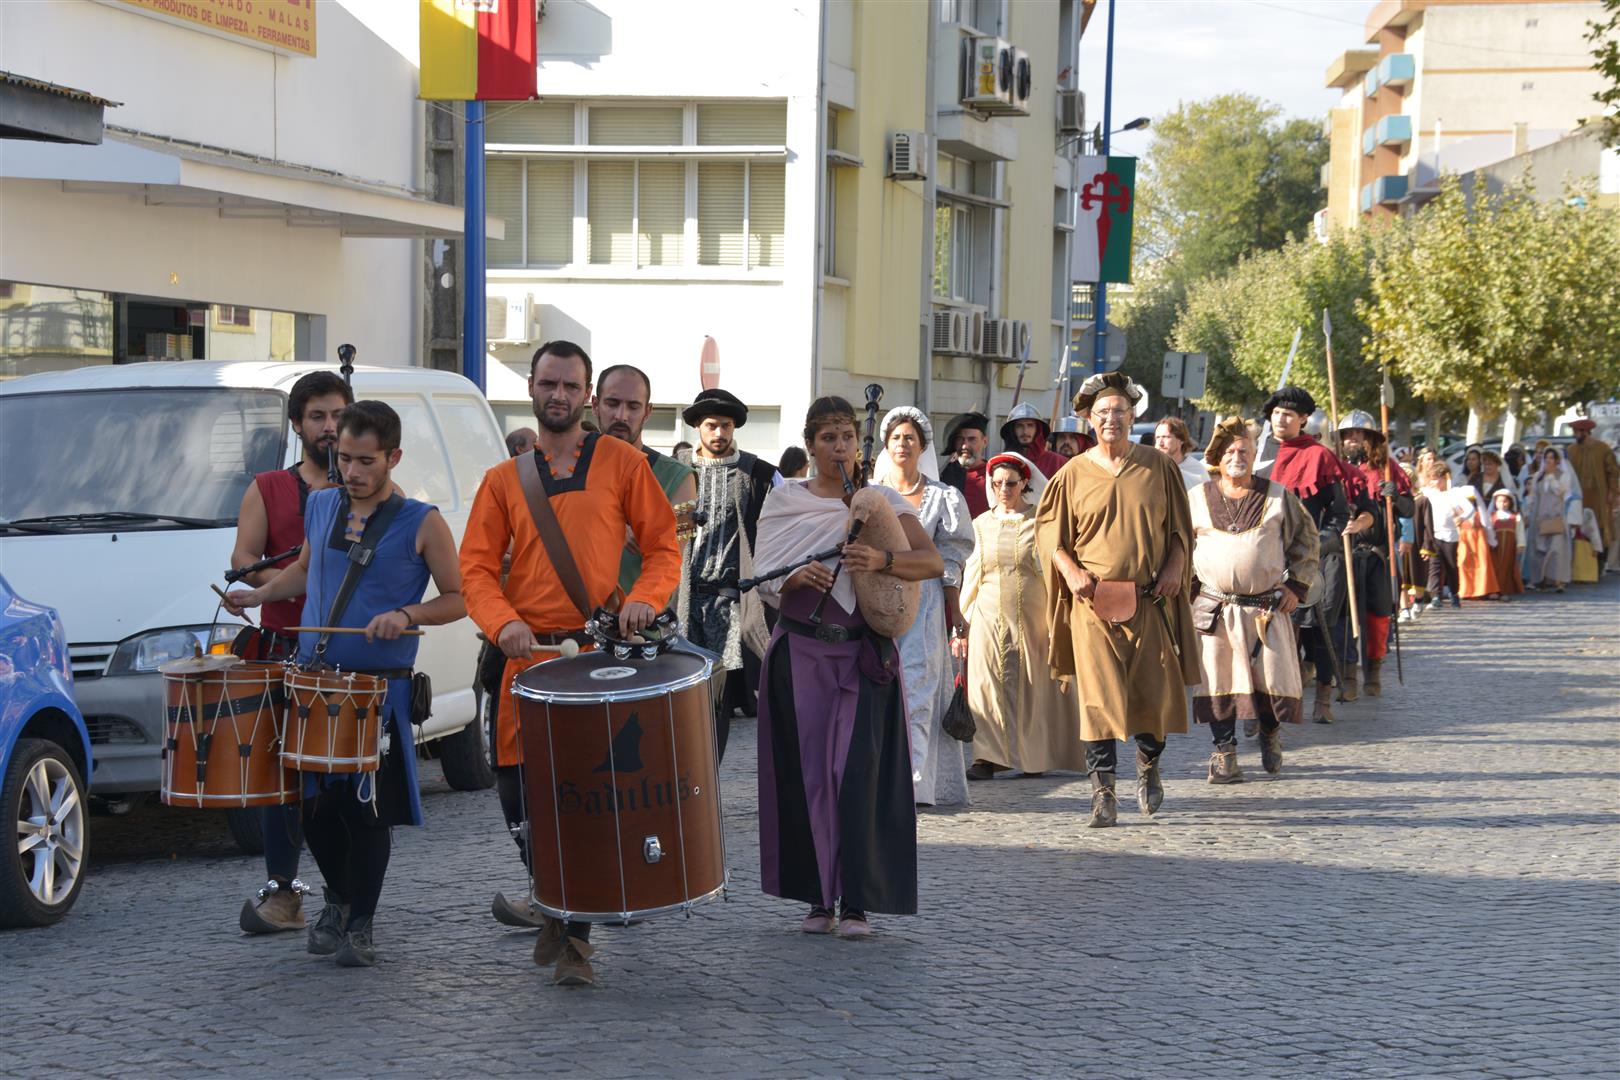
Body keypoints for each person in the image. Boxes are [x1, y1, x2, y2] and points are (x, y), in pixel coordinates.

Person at [460, 340, 680, 987]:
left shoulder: (619, 462)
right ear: (531, 387)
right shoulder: (503, 480)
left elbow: (663, 547)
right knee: (515, 797)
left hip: (595, 659)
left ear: (586, 396)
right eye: (547, 384)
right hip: (524, 662)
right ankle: (555, 899)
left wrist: (642, 598)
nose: (557, 396)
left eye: (570, 386)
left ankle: (576, 939)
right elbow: (474, 568)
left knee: (585, 801)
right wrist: (502, 623)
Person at [224, 401, 466, 967]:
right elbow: (308, 569)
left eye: (364, 461)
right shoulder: (323, 503)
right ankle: (336, 898)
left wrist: (407, 616)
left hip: (376, 690)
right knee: (315, 809)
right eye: (343, 458)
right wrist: (258, 596)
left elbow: (458, 599)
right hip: (314, 683)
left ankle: (360, 922)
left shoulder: (422, 521)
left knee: (366, 811)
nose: (351, 471)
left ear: (393, 458)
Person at [752, 396, 943, 938]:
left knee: (855, 774)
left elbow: (928, 562)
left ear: (860, 444)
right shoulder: (785, 500)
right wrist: (793, 577)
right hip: (802, 651)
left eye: (848, 438)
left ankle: (857, 900)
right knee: (810, 775)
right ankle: (818, 898)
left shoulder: (878, 499)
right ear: (811, 444)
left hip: (862, 656)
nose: (840, 448)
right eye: (828, 438)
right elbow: (764, 573)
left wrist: (881, 559)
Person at [1035, 373, 1199, 829]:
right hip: (1092, 604)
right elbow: (1050, 534)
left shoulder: (1158, 466)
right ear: (1089, 419)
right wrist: (1070, 571)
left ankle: (1148, 764)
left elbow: (1181, 529)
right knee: (1098, 700)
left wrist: (1174, 567)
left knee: (1152, 697)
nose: (1111, 419)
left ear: (1132, 417)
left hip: (1150, 601)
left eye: (1120, 412)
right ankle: (1102, 794)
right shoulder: (1070, 474)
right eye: (1102, 413)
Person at [228, 370, 352, 935]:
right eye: (318, 417)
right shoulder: (268, 487)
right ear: (298, 424)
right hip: (281, 648)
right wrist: (298, 583)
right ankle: (283, 893)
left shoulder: (370, 486)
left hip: (348, 653)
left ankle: (348, 896)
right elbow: (244, 556)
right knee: (282, 777)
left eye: (337, 416)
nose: (329, 428)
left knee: (341, 781)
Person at [1188, 418, 1319, 782]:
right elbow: (1178, 548)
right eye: (1230, 451)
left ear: (1254, 454)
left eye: (1244, 450)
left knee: (1268, 683)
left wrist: (1296, 588)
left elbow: (1307, 542)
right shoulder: (1197, 499)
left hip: (1266, 607)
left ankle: (1269, 733)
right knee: (1217, 681)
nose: (1237, 457)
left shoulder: (1277, 496)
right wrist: (1187, 591)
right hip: (1215, 607)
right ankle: (1224, 754)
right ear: (1217, 457)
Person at [956, 453, 1086, 780]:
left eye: (1010, 483)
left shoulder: (1040, 522)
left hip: (1032, 613)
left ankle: (1033, 755)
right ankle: (988, 756)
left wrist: (1060, 619)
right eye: (996, 483)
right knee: (986, 685)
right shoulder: (980, 525)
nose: (1003, 489)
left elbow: (1052, 574)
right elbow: (971, 574)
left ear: (1024, 483)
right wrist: (962, 623)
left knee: (1033, 684)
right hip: (987, 614)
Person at [874, 407, 973, 808]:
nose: (903, 443)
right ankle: (880, 776)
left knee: (919, 688)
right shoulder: (871, 492)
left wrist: (954, 608)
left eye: (910, 437)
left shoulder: (944, 497)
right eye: (896, 437)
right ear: (886, 444)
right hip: (877, 601)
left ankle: (914, 783)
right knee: (882, 687)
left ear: (922, 446)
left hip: (925, 602)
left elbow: (951, 554)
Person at [677, 388, 780, 734]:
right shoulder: (676, 474)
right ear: (697, 428)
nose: (719, 433)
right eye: (711, 426)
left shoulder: (759, 475)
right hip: (684, 603)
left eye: (726, 425)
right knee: (683, 699)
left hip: (732, 604)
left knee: (720, 707)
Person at [1261, 386, 1355, 723]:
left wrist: (1318, 545)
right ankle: (1267, 707)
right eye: (1276, 413)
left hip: (1313, 560)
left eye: (1289, 414)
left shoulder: (1320, 456)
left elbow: (1340, 515)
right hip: (1268, 560)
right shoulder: (1259, 455)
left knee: (1318, 628)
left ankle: (1323, 701)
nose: (1281, 419)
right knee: (1267, 632)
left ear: (1303, 419)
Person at [593, 363, 696, 599]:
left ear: (648, 411)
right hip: (572, 624)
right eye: (612, 403)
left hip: (639, 626)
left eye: (633, 406)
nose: (621, 415)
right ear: (596, 404)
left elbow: (674, 557)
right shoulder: (572, 466)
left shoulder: (682, 479)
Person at [1335, 411, 1409, 696]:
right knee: (1342, 612)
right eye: (1347, 434)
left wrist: (1396, 496)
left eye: (1359, 434)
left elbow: (1409, 509)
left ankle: (1373, 671)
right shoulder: (1335, 467)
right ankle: (1348, 673)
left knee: (1378, 614)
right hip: (1343, 552)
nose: (1353, 439)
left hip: (1378, 554)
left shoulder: (1387, 468)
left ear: (1370, 439)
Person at [1566, 418, 1619, 560]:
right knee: (1579, 526)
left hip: (1599, 496)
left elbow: (1613, 473)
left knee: (1600, 527)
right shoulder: (1571, 450)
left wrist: (1612, 493)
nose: (1574, 434)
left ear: (1585, 432)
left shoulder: (1603, 449)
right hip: (1578, 497)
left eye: (1576, 432)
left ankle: (1600, 562)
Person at [1525, 447, 1574, 592]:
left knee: (1556, 549)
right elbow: (1533, 496)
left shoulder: (1563, 476)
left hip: (1556, 516)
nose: (1548, 461)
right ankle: (1541, 579)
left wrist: (1552, 479)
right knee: (1540, 549)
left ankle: (1558, 580)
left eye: (1551, 458)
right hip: (1540, 517)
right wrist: (1528, 513)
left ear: (1557, 461)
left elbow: (1562, 492)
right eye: (1546, 458)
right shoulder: (1538, 476)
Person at [999, 401, 1069, 480]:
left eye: (1030, 425)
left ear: (1038, 429)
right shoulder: (1001, 462)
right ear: (1012, 430)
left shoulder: (1058, 462)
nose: (1025, 431)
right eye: (1019, 426)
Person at [939, 411, 991, 518]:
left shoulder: (994, 476)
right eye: (960, 439)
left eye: (972, 439)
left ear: (985, 442)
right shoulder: (943, 475)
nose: (964, 446)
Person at [1489, 490, 1526, 596]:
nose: (1502, 504)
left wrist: (1520, 544)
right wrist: (1490, 541)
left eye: (1505, 501)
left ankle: (1505, 589)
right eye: (1499, 501)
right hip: (1496, 546)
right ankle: (1494, 589)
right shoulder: (1492, 516)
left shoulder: (1515, 517)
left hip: (1510, 547)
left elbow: (1520, 532)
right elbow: (1489, 530)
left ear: (1510, 502)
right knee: (1495, 566)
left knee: (1507, 566)